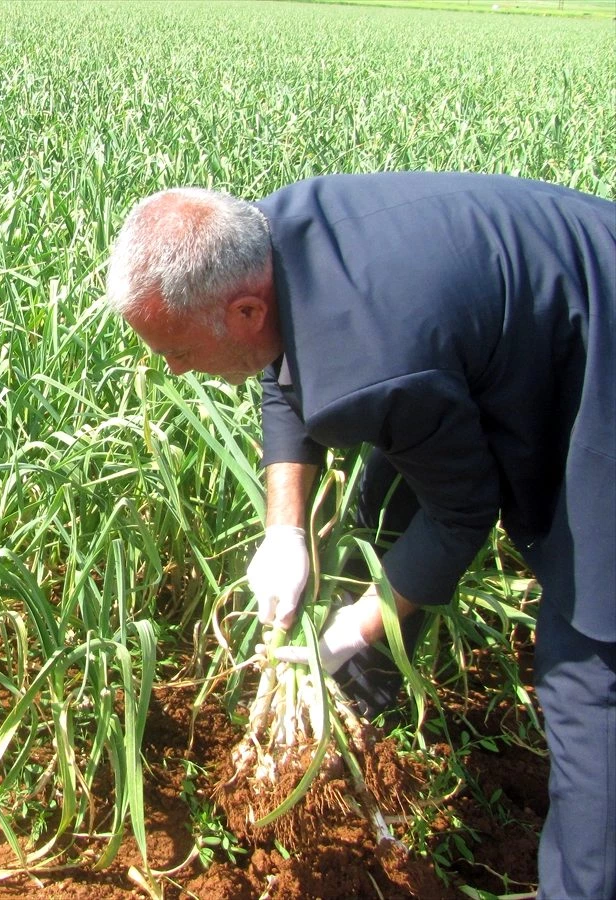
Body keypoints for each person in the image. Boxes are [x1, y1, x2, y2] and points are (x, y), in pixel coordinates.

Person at [103, 173, 614, 900]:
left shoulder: (380, 362)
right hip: (539, 305)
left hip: (602, 358)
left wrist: (349, 629)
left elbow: (462, 515)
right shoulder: (264, 236)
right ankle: (350, 723)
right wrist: (284, 532)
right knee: (382, 509)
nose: (174, 368)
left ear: (245, 308)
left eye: (178, 349)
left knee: (591, 668)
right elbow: (282, 368)